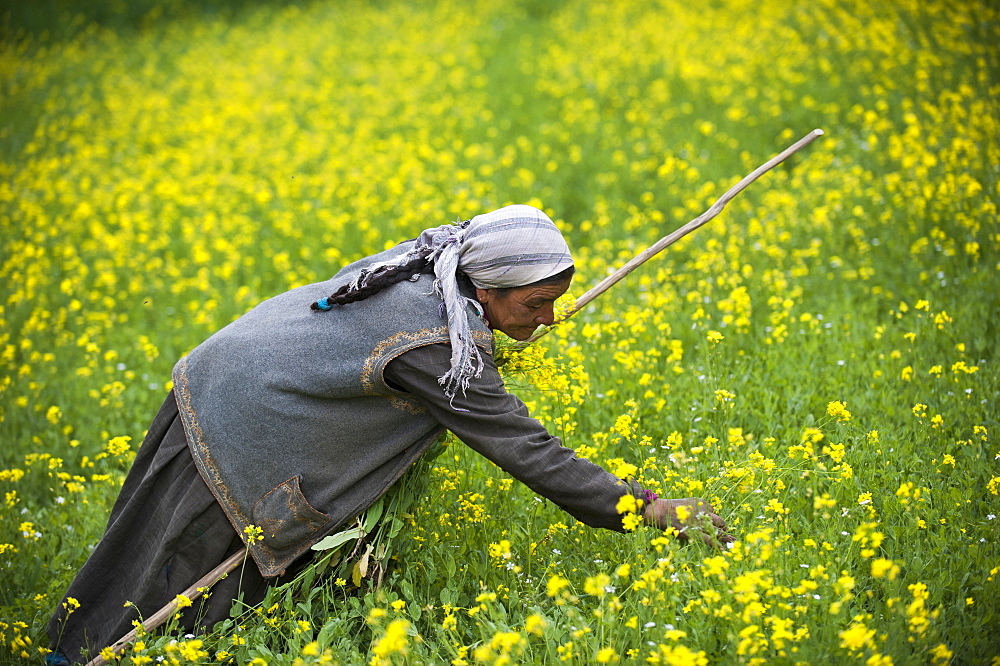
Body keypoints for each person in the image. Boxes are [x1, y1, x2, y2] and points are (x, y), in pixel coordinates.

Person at [46, 204, 730, 664]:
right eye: (537, 303)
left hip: (223, 373)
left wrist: (498, 339)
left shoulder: (441, 274)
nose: (551, 317)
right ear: (484, 292)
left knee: (181, 568)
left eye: (555, 300)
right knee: (171, 581)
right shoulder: (435, 345)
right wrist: (651, 510)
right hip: (242, 415)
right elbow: (527, 450)